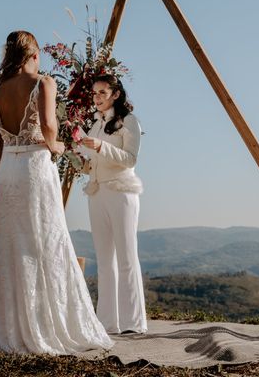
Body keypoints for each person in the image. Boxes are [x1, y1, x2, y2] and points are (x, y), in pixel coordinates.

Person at [0, 30, 113, 354]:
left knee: (11, 248)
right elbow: (49, 129)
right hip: (34, 168)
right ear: (34, 54)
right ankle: (47, 326)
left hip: (7, 172)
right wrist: (59, 145)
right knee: (44, 243)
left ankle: (12, 329)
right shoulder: (43, 83)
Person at [79, 74, 147, 335]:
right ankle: (108, 323)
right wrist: (82, 160)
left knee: (127, 257)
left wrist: (99, 148)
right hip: (97, 192)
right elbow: (93, 161)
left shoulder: (130, 121)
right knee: (105, 260)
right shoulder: (95, 123)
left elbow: (130, 159)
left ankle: (133, 323)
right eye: (94, 93)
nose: (97, 98)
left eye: (102, 93)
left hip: (121, 192)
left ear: (116, 94)